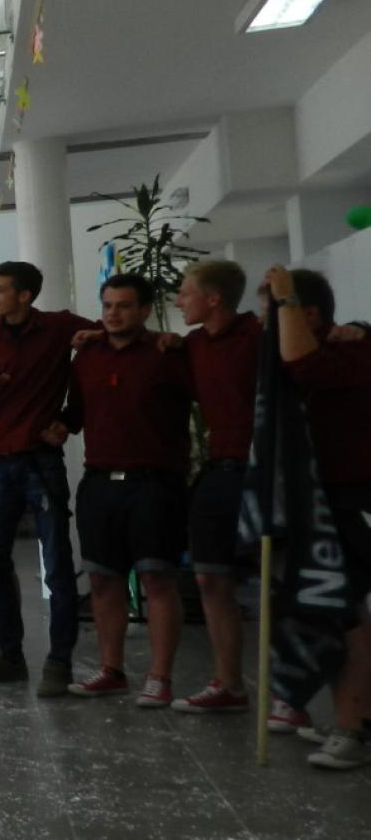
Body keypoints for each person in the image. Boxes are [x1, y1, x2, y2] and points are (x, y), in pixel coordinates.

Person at [63, 274, 192, 706]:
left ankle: (160, 678)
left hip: (154, 483)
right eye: (108, 305)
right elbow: (74, 415)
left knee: (157, 578)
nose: (114, 313)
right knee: (102, 579)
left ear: (144, 309)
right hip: (100, 481)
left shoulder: (167, 352)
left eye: (124, 305)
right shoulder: (87, 356)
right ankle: (111, 670)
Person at [0, 261, 95, 694]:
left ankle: (59, 663)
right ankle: (9, 654)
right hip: (0, 459)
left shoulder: (58, 327)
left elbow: (102, 339)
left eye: (0, 289)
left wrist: (68, 420)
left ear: (24, 295)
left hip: (41, 459)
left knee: (56, 564)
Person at [265, 266, 371, 771]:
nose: (268, 325)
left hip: (349, 501)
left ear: (306, 315)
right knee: (337, 611)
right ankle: (351, 717)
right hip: (321, 502)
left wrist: (284, 298)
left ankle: (352, 728)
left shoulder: (351, 352)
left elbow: (304, 363)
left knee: (346, 615)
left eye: (276, 313)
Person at [171, 260, 264, 717]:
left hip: (262, 471)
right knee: (209, 576)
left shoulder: (258, 335)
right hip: (218, 468)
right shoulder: (191, 346)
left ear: (213, 299)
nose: (178, 301)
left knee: (277, 579)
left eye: (186, 293)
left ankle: (291, 696)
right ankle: (228, 684)